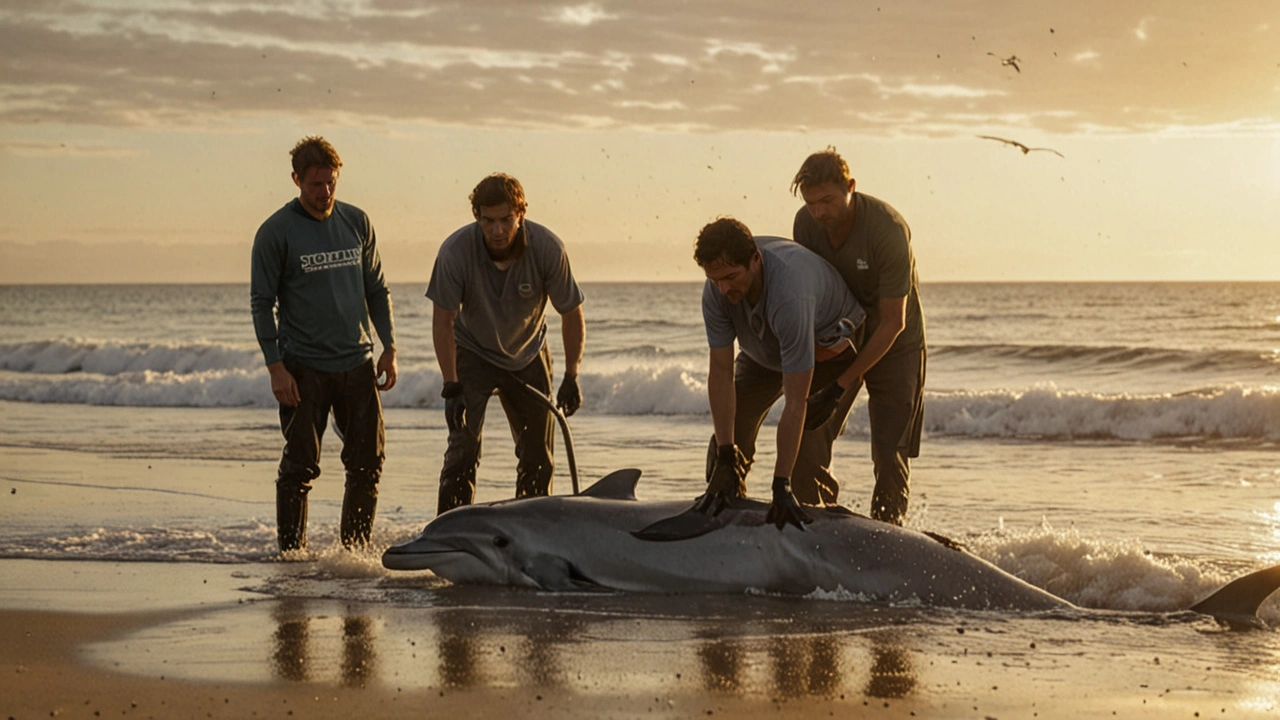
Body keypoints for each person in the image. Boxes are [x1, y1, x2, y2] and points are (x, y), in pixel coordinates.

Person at [250, 135, 398, 552]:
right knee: (299, 468)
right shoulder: (276, 232)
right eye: (316, 184)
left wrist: (389, 346)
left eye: (331, 182)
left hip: (357, 363)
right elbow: (262, 304)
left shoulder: (356, 222)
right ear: (296, 179)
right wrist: (275, 367)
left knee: (367, 464)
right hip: (303, 367)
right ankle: (292, 557)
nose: (325, 192)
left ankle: (353, 554)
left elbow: (377, 289)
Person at [427, 173, 585, 515]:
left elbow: (571, 313)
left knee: (538, 457)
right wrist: (451, 384)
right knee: (463, 450)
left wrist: (572, 374)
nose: (497, 231)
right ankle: (452, 534)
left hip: (528, 353)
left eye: (506, 220)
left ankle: (527, 535)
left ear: (521, 214)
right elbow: (443, 321)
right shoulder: (455, 252)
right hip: (472, 352)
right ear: (477, 217)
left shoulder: (547, 248)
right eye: (489, 221)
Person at [694, 216, 865, 530]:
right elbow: (720, 372)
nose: (723, 288)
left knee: (804, 461)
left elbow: (795, 402)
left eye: (731, 277)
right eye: (715, 279)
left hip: (829, 353)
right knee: (725, 446)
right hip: (765, 349)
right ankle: (726, 528)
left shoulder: (790, 293)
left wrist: (780, 484)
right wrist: (726, 453)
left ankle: (819, 544)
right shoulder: (716, 290)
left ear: (755, 260)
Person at [791, 147, 927, 525]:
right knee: (808, 434)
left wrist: (840, 387)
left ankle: (888, 537)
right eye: (812, 203)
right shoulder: (805, 225)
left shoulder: (888, 229)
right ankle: (818, 529)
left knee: (888, 452)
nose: (820, 213)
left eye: (828, 201)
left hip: (896, 342)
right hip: (842, 335)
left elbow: (893, 322)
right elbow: (810, 293)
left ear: (851, 187)